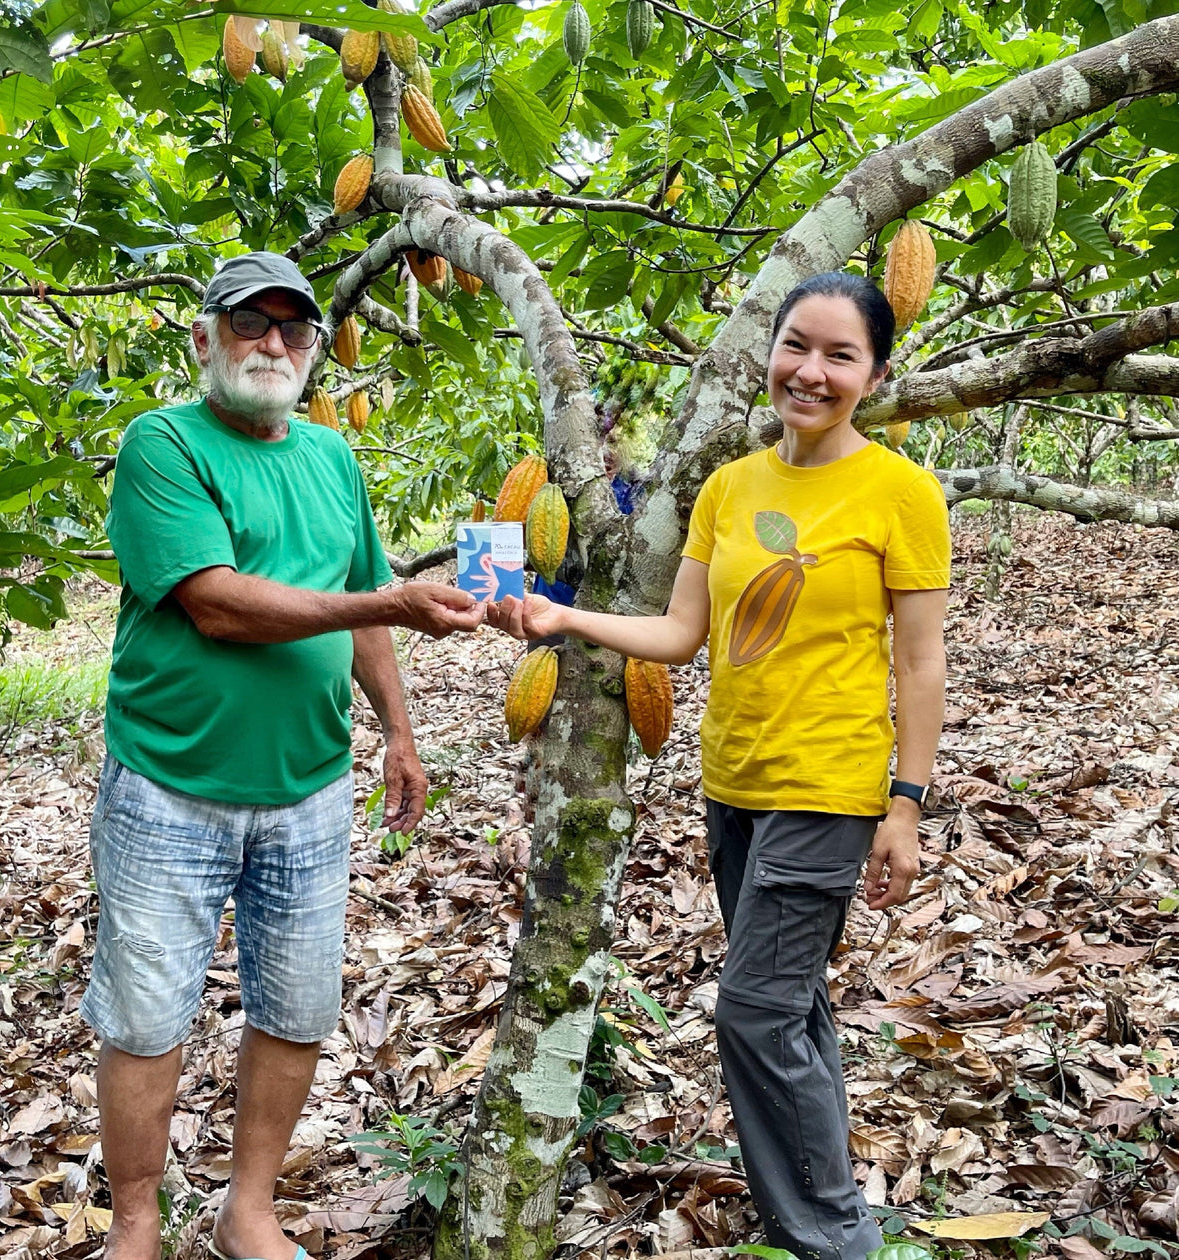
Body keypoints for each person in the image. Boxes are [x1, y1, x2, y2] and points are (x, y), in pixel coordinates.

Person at [487, 272, 951, 1260]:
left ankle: (831, 1242)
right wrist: (561, 615)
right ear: (770, 350)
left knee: (753, 1014)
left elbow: (920, 660)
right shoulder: (733, 487)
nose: (811, 372)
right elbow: (680, 630)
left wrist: (905, 804)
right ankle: (823, 1221)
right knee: (792, 1009)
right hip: (732, 784)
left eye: (840, 356)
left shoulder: (900, 493)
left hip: (828, 787)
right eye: (798, 346)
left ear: (874, 373)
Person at [83, 251, 484, 1260]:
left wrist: (396, 727)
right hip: (172, 781)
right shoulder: (163, 444)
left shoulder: (331, 458)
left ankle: (245, 1211)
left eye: (293, 330)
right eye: (251, 324)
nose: (273, 345)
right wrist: (385, 602)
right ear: (204, 338)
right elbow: (217, 604)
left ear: (313, 348)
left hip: (307, 786)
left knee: (299, 1005)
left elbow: (366, 598)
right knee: (144, 1014)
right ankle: (136, 1224)